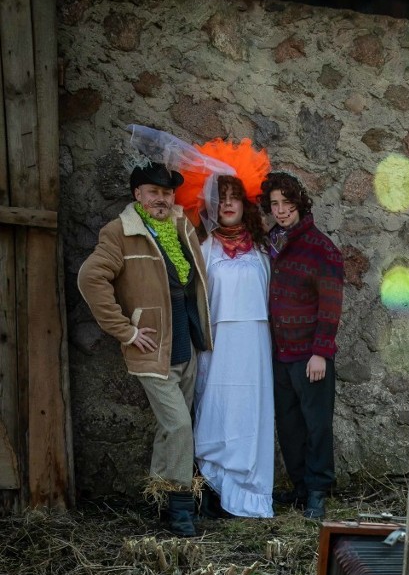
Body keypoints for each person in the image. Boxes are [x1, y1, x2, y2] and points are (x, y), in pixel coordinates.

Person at [78, 160, 211, 537]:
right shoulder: (121, 232)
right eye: (153, 192)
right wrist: (126, 330)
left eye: (167, 192)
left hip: (186, 343)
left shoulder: (182, 226)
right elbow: (91, 278)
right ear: (138, 195)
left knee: (172, 428)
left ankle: (160, 499)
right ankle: (182, 506)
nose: (162, 199)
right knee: (180, 424)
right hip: (151, 349)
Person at [260, 172, 344, 522]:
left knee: (316, 424)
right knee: (289, 424)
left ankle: (317, 491)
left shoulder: (321, 248)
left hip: (310, 356)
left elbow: (331, 303)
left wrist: (321, 352)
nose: (280, 210)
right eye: (275, 204)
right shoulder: (270, 244)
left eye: (287, 203)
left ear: (300, 203)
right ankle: (298, 487)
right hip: (279, 354)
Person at [190, 171, 274, 519]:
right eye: (221, 197)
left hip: (253, 344)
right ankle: (214, 486)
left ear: (245, 204)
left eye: (233, 197)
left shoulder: (262, 251)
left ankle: (248, 494)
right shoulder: (204, 249)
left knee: (250, 413)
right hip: (218, 343)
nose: (227, 204)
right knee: (216, 408)